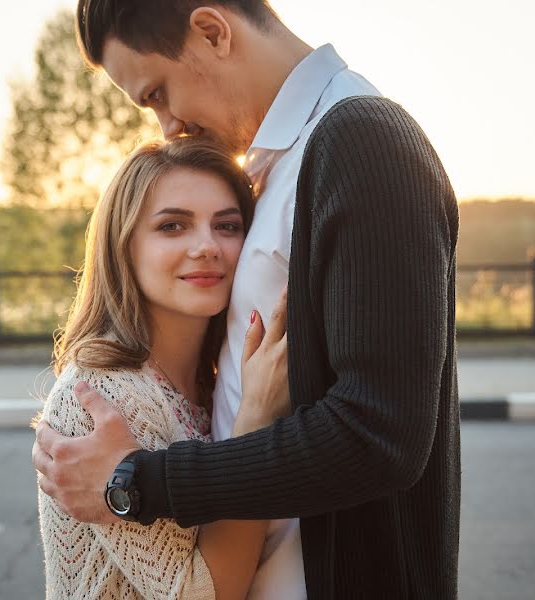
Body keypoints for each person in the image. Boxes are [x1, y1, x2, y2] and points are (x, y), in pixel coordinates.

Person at [34, 1, 461, 598]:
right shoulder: (284, 165)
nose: (166, 125)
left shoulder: (362, 140)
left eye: (157, 93)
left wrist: (142, 480)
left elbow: (379, 435)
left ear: (212, 31)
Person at [36, 136, 291, 599]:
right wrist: (257, 416)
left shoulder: (210, 380)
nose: (207, 246)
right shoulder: (105, 396)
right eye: (173, 226)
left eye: (227, 226)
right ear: (124, 246)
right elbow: (203, 595)